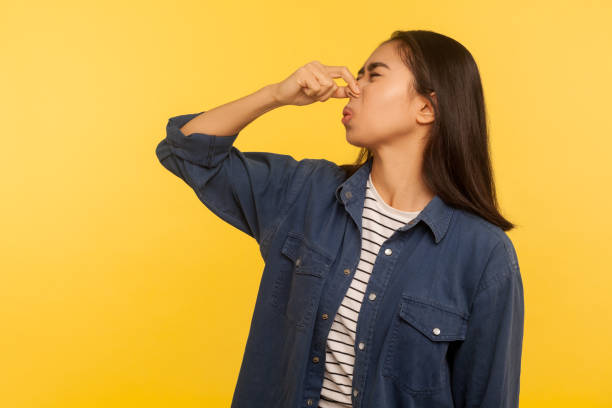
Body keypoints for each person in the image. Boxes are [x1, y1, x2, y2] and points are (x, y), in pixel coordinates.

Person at [155, 29, 524, 408]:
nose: (352, 87)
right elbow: (186, 151)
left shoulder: (484, 255)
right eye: (358, 75)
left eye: (373, 75)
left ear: (426, 108)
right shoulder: (306, 192)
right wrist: (275, 95)